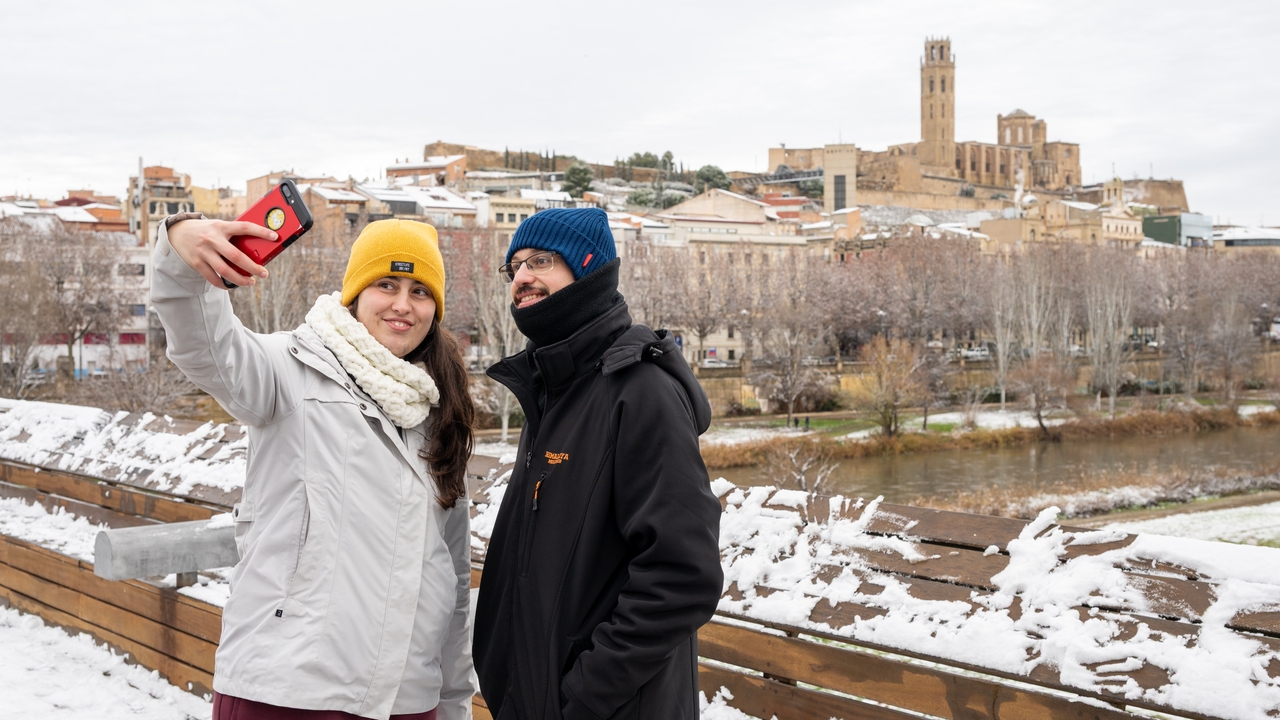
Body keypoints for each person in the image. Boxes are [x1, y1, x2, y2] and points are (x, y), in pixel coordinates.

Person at [152, 214, 476, 720]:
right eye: (385, 285)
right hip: (287, 690)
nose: (402, 305)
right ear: (354, 294)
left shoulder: (439, 414)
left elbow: (450, 582)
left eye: (420, 291)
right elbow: (202, 345)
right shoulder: (288, 369)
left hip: (407, 699)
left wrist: (452, 701)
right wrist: (180, 252)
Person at [473, 208, 723, 720]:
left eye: (541, 260)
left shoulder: (640, 391)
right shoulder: (552, 392)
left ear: (589, 269)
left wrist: (583, 697)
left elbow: (683, 575)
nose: (522, 277)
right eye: (514, 266)